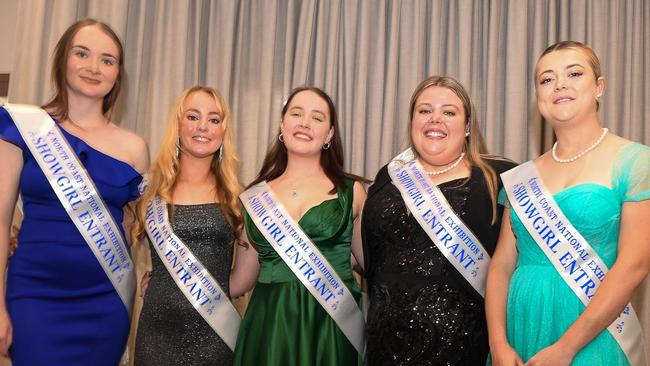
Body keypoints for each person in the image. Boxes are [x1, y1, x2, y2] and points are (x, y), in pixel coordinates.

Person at [486, 41, 650, 366]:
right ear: (538, 96)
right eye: (546, 79)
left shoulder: (636, 161)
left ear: (599, 86)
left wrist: (566, 348)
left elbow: (634, 265)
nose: (559, 84)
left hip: (592, 335)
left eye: (574, 73)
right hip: (521, 333)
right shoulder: (522, 177)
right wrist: (498, 342)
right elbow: (501, 266)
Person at [0, 19, 148, 365]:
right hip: (33, 295)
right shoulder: (22, 127)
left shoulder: (135, 147)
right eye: (82, 54)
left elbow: (133, 227)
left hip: (105, 302)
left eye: (107, 60)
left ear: (118, 74)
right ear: (63, 59)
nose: (94, 67)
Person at [361, 75, 516, 365]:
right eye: (424, 111)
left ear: (467, 125)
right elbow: (371, 262)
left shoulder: (500, 178)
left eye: (449, 112)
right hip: (384, 348)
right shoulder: (388, 178)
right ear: (412, 121)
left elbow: (515, 265)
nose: (435, 119)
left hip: (462, 349)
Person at [232, 86, 367, 365]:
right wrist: (171, 282)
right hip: (270, 325)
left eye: (317, 117)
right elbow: (241, 280)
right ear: (283, 124)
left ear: (329, 134)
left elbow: (373, 265)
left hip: (330, 326)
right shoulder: (255, 197)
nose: (305, 123)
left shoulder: (352, 192)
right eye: (296, 113)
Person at [132, 86, 243, 365]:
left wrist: (213, 292)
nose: (203, 127)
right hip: (156, 333)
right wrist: (155, 281)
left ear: (223, 130)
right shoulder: (149, 192)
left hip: (215, 333)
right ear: (178, 125)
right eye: (193, 116)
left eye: (214, 119)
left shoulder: (236, 197)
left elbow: (246, 271)